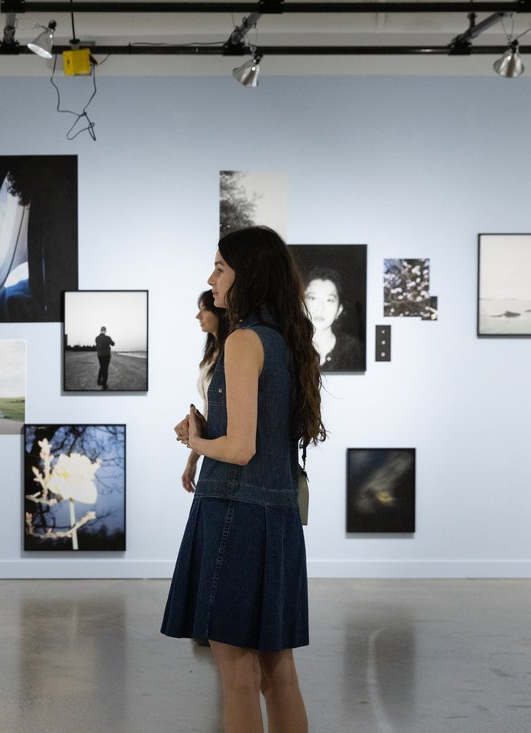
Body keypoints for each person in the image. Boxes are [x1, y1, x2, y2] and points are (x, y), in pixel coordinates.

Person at [162, 226, 326, 733]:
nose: (211, 278)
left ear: (245, 274)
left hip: (233, 513)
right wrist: (208, 430)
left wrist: (196, 444)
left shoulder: (241, 341)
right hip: (275, 519)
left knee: (236, 674)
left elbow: (239, 450)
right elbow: (262, 436)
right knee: (279, 675)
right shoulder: (285, 341)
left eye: (219, 267)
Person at [181, 290, 229, 493]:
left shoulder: (232, 351)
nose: (198, 316)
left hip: (225, 448)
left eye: (204, 309)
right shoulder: (212, 354)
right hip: (213, 446)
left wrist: (194, 454)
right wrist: (192, 459)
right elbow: (209, 410)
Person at [304, 266, 364, 372]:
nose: (320, 307)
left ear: (339, 310)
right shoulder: (288, 348)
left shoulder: (355, 351)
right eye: (312, 298)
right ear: (301, 304)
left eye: (329, 300)